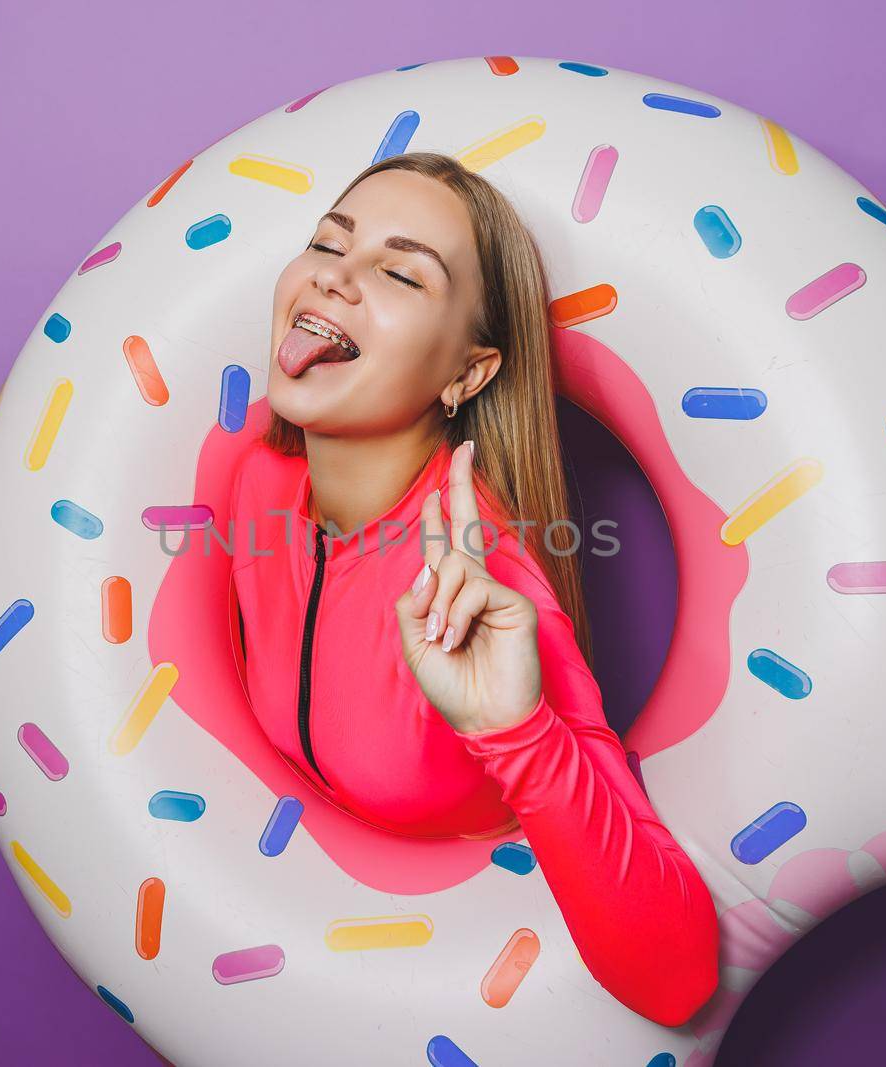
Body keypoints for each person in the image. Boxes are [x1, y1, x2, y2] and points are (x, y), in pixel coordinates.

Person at [228, 151, 718, 1028]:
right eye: (327, 244)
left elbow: (678, 978)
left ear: (468, 373)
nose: (335, 278)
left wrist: (515, 732)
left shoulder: (483, 585)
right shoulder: (260, 483)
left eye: (399, 271)